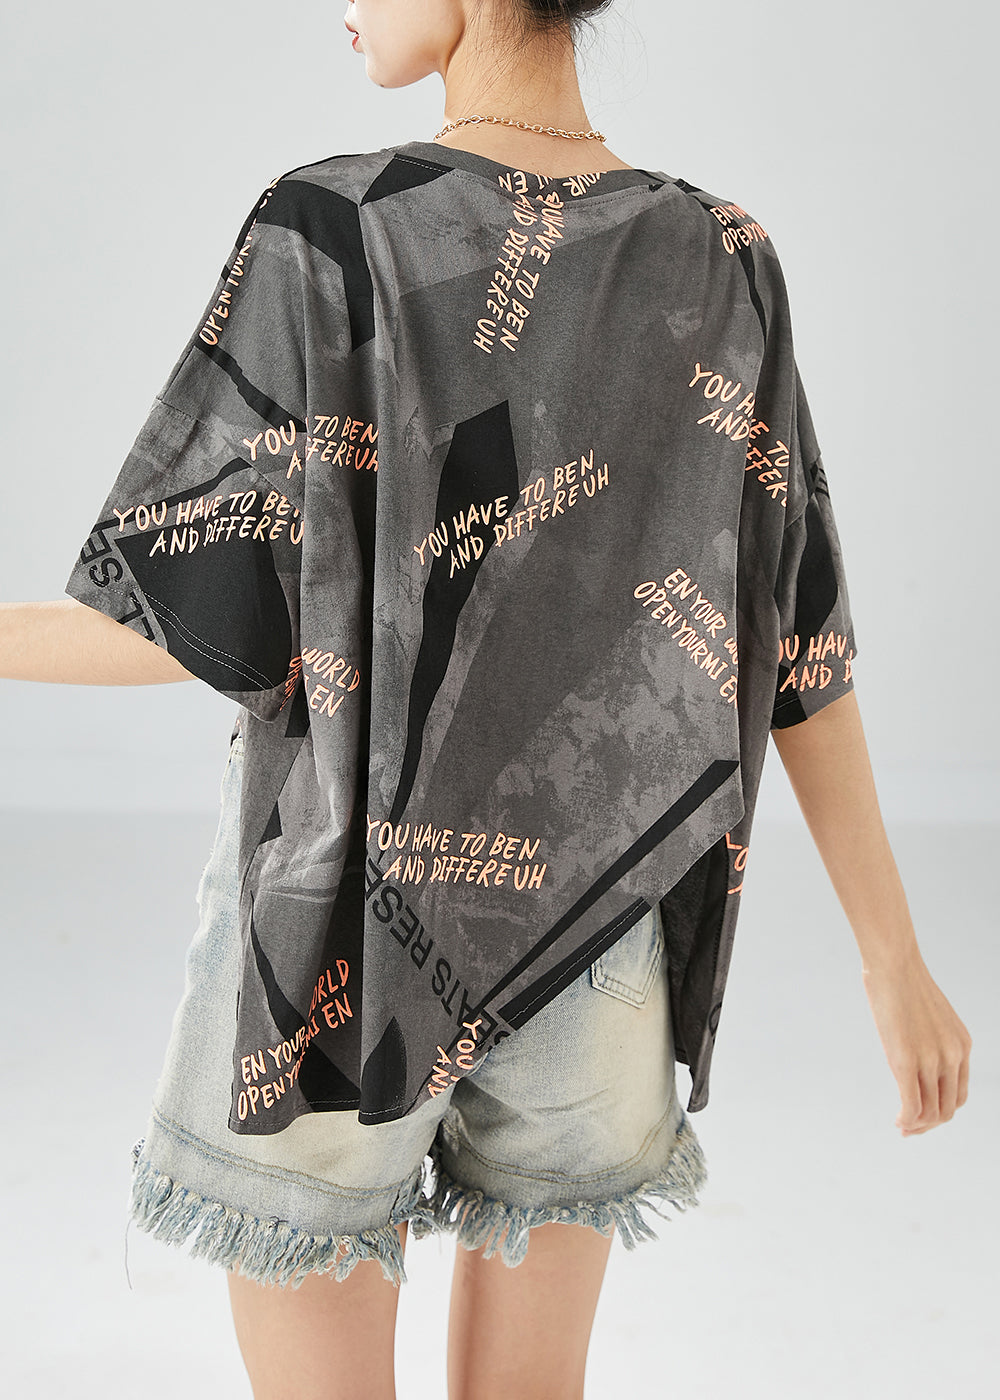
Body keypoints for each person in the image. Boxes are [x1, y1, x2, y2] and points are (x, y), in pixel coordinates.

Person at [0, 2, 973, 1398]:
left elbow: (191, 617)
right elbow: (793, 645)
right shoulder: (726, 257)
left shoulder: (332, 228)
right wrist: (893, 958)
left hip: (334, 949)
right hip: (599, 941)